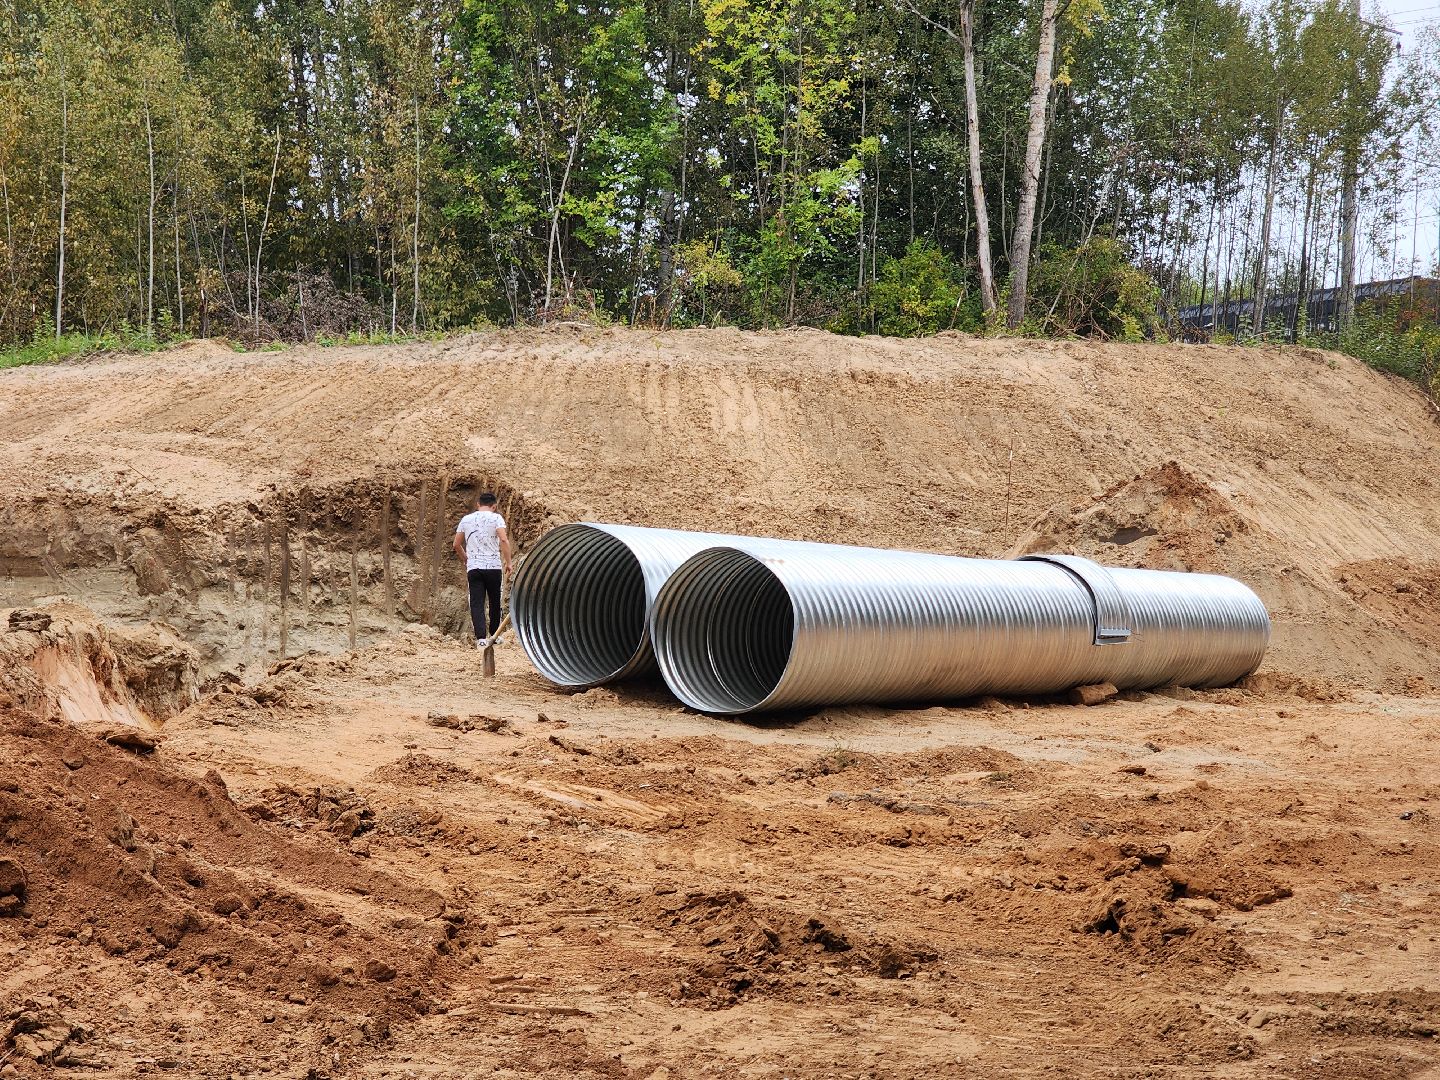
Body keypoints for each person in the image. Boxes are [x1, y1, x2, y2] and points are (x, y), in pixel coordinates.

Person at [453, 493, 513, 649]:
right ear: (494, 506)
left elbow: (456, 544)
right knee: (495, 601)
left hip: (474, 568)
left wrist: (465, 558)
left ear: (478, 504)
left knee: (477, 602)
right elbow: (504, 540)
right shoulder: (496, 518)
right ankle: (494, 636)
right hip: (493, 567)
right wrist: (508, 562)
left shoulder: (466, 520)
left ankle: (480, 639)